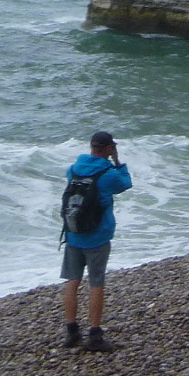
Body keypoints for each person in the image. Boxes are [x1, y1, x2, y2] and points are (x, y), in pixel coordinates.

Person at [59, 130, 132, 352]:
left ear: (91, 148)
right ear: (108, 149)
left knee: (73, 281)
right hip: (97, 236)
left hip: (73, 234)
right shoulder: (108, 175)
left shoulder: (73, 170)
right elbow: (126, 183)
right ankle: (94, 335)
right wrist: (118, 161)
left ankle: (71, 331)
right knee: (96, 283)